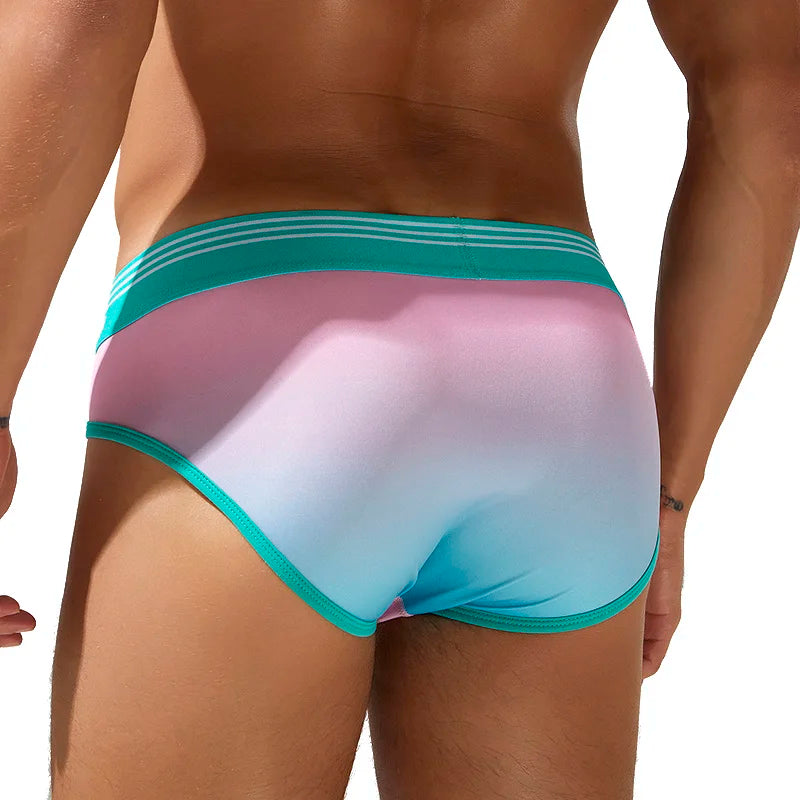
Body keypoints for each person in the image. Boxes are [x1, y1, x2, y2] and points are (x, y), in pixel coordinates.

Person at [1, 1, 797, 798]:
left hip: (266, 331)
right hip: (568, 374)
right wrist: (669, 493)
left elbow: (74, 25)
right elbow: (768, 106)